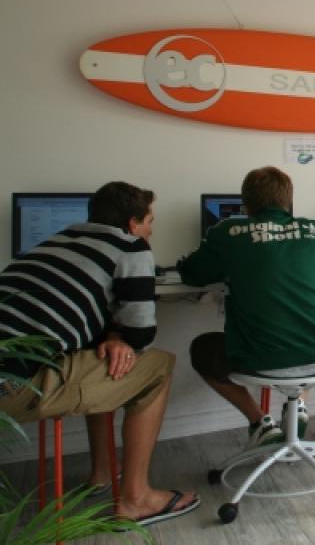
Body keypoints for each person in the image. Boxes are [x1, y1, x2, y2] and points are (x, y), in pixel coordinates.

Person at [0, 181, 200, 526]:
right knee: (158, 366)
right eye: (150, 222)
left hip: (12, 365)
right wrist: (121, 338)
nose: (151, 230)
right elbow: (141, 336)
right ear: (133, 224)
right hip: (15, 384)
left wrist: (110, 336)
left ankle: (103, 472)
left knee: (103, 356)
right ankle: (136, 499)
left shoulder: (55, 241)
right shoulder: (131, 247)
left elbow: (71, 316)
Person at [178, 166, 315, 447]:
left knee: (202, 348)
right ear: (288, 200)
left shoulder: (227, 233)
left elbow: (191, 274)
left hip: (261, 362)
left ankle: (260, 423)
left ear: (246, 204)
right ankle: (298, 404)